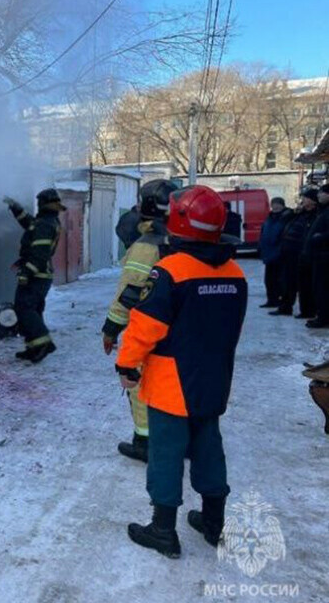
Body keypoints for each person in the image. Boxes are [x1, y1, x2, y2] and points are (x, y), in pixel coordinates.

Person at [115, 185, 247, 559]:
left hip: (172, 386)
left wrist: (126, 364)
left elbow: (145, 326)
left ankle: (162, 530)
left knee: (166, 455)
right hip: (214, 380)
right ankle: (214, 522)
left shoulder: (169, 271)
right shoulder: (236, 272)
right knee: (209, 450)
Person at [102, 179, 178, 463]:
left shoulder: (147, 246)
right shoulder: (187, 240)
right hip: (183, 329)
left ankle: (145, 444)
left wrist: (110, 329)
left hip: (150, 328)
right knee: (178, 388)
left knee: (141, 386)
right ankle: (182, 440)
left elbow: (129, 293)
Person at [4, 189, 65, 363]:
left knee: (24, 309)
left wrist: (26, 272)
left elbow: (40, 254)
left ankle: (44, 343)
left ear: (43, 204)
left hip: (36, 275)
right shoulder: (46, 221)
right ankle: (33, 346)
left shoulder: (46, 224)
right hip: (41, 275)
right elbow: (29, 224)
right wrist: (16, 208)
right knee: (33, 310)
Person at [270, 187, 320, 317]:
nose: (303, 200)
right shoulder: (299, 213)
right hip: (289, 252)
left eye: (305, 198)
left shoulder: (316, 215)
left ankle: (307, 311)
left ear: (313, 201)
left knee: (303, 284)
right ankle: (285, 306)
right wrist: (295, 212)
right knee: (287, 281)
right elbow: (283, 219)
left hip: (301, 253)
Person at [302, 184, 329, 328]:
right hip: (318, 255)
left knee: (322, 288)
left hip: (324, 256)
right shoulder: (322, 211)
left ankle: (323, 318)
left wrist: (318, 237)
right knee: (318, 288)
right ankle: (322, 315)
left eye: (321, 193)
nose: (319, 196)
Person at [258, 197, 291, 308]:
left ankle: (280, 300)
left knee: (279, 280)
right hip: (269, 253)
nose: (275, 207)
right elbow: (264, 233)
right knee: (269, 280)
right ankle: (271, 300)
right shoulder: (270, 217)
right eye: (273, 204)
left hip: (280, 254)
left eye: (277, 204)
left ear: (282, 205)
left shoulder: (286, 217)